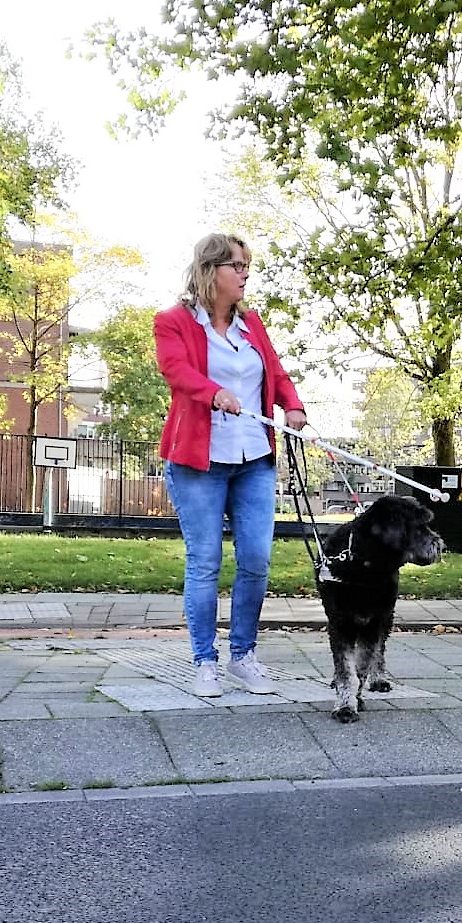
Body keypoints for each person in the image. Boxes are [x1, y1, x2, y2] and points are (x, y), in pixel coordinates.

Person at [155, 233, 308, 699]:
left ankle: (244, 655)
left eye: (246, 266)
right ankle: (205, 661)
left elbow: (276, 372)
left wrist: (293, 406)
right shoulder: (174, 322)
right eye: (237, 266)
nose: (244, 274)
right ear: (212, 271)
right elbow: (175, 370)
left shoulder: (252, 324)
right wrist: (211, 392)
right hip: (199, 460)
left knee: (257, 560)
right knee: (205, 562)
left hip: (254, 459)